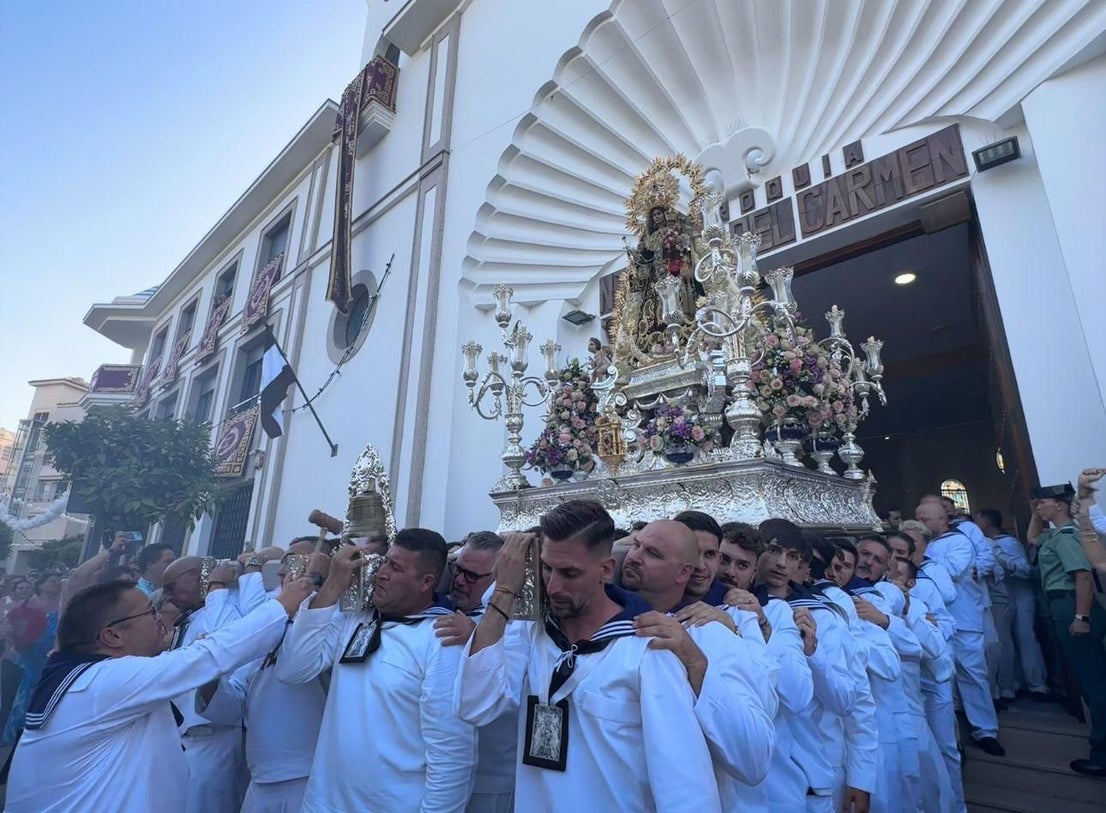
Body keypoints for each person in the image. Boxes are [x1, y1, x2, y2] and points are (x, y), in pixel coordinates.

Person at [456, 500, 721, 813]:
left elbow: (685, 786)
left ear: (605, 570)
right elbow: (474, 706)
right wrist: (504, 590)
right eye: (547, 568)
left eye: (570, 573)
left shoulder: (645, 649)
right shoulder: (532, 633)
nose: (554, 586)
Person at [3, 577, 312, 813]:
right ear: (113, 635)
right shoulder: (104, 681)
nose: (161, 619)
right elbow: (209, 656)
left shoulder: (87, 676)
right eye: (150, 612)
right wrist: (282, 605)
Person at [278, 528, 476, 812]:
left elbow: (452, 752)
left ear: (426, 582)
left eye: (395, 567)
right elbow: (293, 669)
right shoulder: (354, 619)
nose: (381, 573)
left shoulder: (442, 639)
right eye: (384, 562)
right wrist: (332, 586)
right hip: (323, 803)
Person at [620, 519, 776, 809]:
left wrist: (724, 639)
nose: (701, 567)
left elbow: (764, 709)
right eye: (693, 553)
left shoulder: (731, 617)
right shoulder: (615, 613)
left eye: (711, 555)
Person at [197, 540, 329, 813]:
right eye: (284, 564)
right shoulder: (269, 622)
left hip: (309, 773)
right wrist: (209, 678)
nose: (281, 572)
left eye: (294, 564)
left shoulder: (333, 622)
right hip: (260, 774)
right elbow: (236, 704)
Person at [757, 520, 861, 813]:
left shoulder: (821, 615)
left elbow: (847, 700)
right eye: (773, 550)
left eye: (792, 557)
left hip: (808, 773)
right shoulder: (732, 605)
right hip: (748, 774)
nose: (781, 563)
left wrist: (813, 653)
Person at [433, 530, 519, 813]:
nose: (459, 580)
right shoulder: (436, 610)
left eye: (471, 576)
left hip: (490, 778)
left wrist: (478, 636)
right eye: (457, 569)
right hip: (436, 772)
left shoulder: (518, 624)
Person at [1027, 483, 1106, 777]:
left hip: (1072, 604)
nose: (1037, 507)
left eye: (1042, 502)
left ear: (1059, 504)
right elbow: (1032, 538)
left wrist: (1081, 617)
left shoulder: (1068, 536)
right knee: (1090, 680)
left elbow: (1083, 577)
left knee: (1094, 683)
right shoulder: (1055, 534)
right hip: (1064, 604)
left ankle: (1102, 755)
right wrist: (1036, 513)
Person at [916, 500, 1004, 757]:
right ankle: (951, 741)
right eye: (918, 519)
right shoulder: (924, 545)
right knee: (939, 680)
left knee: (973, 674)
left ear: (942, 519)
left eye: (924, 519)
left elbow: (952, 570)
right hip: (933, 621)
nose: (920, 524)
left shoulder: (959, 541)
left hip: (964, 618)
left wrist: (918, 556)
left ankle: (985, 730)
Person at [162, 556, 246, 813]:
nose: (169, 597)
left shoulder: (223, 612)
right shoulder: (190, 619)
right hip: (185, 741)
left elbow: (222, 656)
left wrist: (216, 587)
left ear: (196, 577)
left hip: (212, 737)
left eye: (172, 587)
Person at [974, 508, 1050, 702]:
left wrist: (1005, 563)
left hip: (1020, 594)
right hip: (1002, 596)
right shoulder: (983, 544)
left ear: (986, 523)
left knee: (1025, 637)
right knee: (1004, 641)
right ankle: (1011, 683)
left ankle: (1037, 684)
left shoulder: (1008, 543)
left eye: (977, 520)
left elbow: (1026, 570)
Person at [3, 571, 62, 744]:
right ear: (41, 585)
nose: (57, 583)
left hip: (47, 657)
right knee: (16, 696)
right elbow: (10, 626)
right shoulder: (27, 604)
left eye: (58, 581)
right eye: (52, 580)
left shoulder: (62, 604)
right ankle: (9, 734)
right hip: (23, 656)